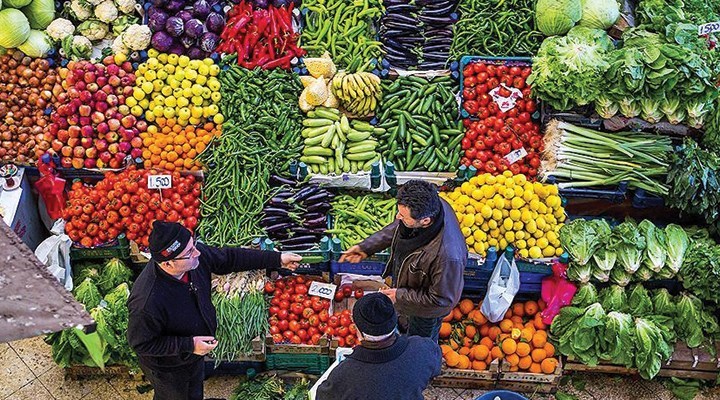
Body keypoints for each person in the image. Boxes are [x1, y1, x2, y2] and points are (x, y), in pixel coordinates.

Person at [127, 221, 302, 400]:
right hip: (169, 367)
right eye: (189, 252)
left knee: (194, 388)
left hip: (193, 353)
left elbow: (229, 258)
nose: (198, 253)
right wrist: (189, 345)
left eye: (193, 245)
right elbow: (141, 344)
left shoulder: (193, 260)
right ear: (168, 264)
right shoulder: (146, 301)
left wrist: (277, 259)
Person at [340, 180, 467, 341]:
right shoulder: (432, 205)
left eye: (403, 215)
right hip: (410, 289)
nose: (397, 217)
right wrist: (367, 247)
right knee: (404, 324)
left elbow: (441, 301)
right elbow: (399, 227)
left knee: (419, 343)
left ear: (425, 221)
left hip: (425, 313)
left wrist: (399, 296)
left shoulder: (448, 257)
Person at [315, 293, 441, 400]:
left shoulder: (343, 376)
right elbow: (435, 368)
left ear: (358, 329)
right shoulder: (424, 349)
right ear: (394, 321)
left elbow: (321, 396)